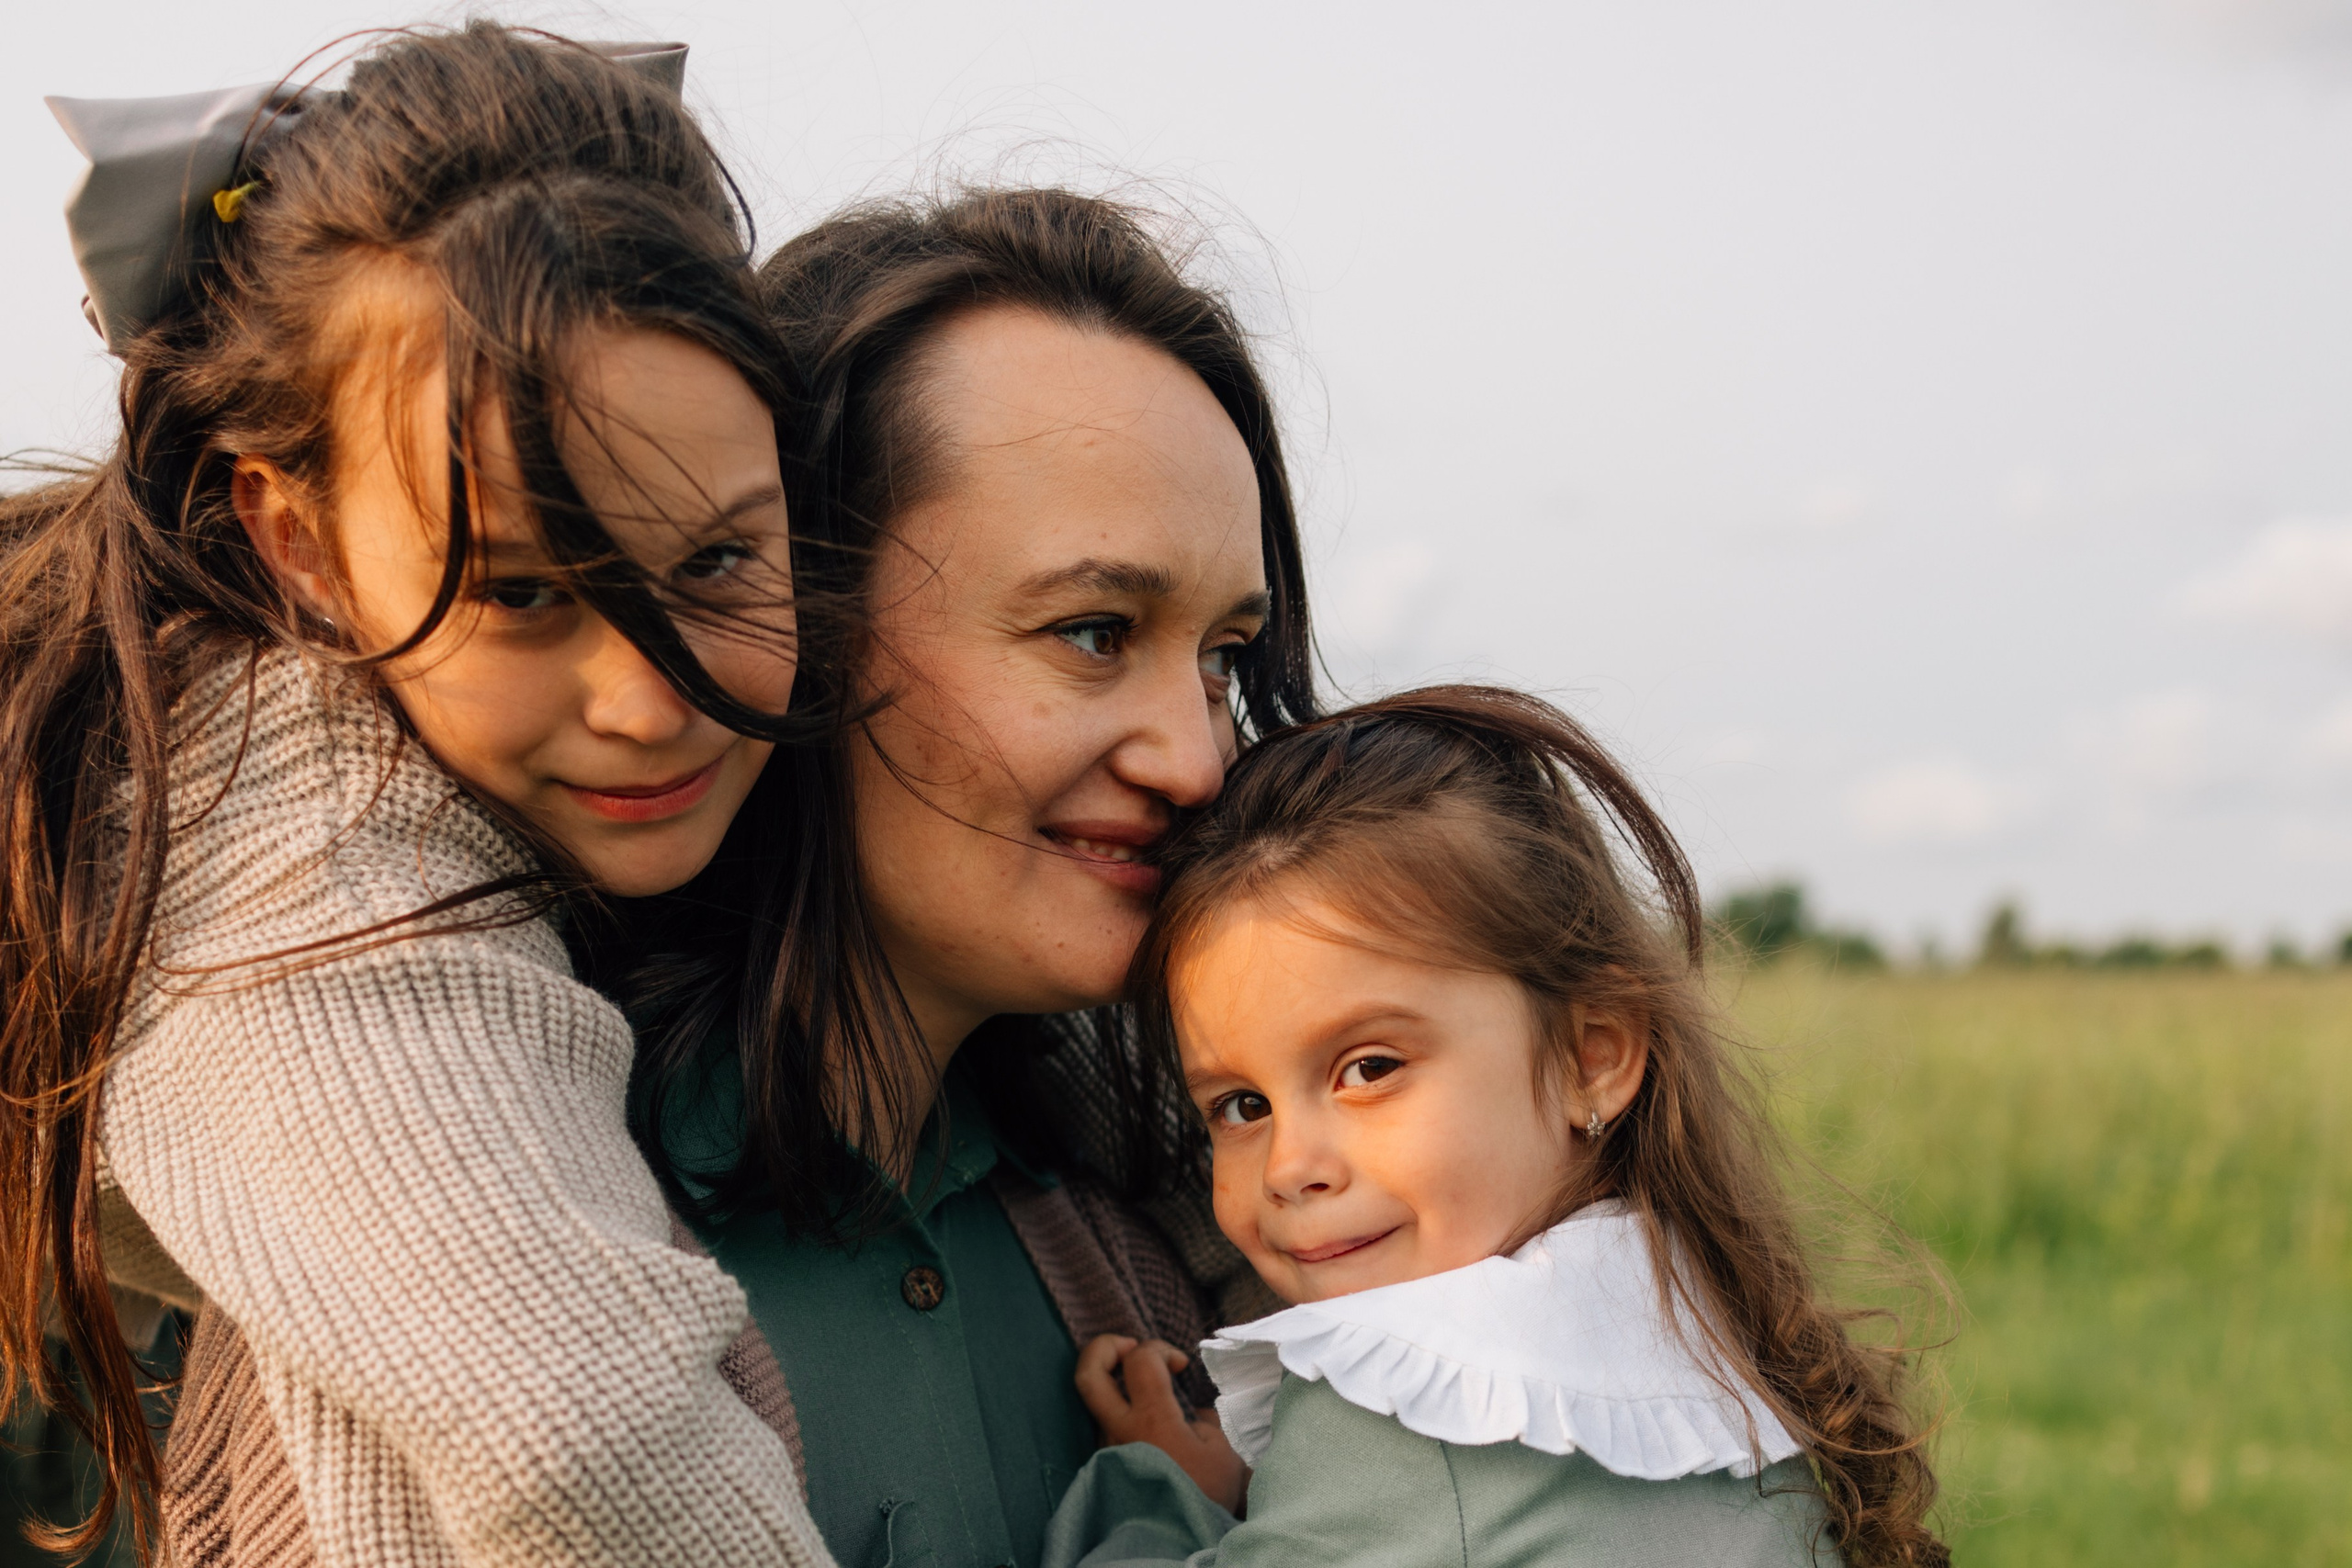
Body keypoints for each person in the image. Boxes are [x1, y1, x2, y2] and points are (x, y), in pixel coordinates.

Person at [0, 26, 839, 1568]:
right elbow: (581, 1442)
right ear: (297, 544)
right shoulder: (316, 871)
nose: (650, 700)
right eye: (520, 593)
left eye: (720, 557)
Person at [625, 188, 1318, 1568]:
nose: (1199, 760)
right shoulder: (498, 1249)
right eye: (1092, 631)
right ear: (795, 619)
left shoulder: (1163, 1255)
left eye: (1223, 659)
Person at [1045, 686, 1951, 1567]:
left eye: (1370, 1068)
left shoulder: (1401, 1410)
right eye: (1242, 1106)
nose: (1289, 1166)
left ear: (1592, 1056)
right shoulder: (1697, 1333)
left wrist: (1156, 1499)